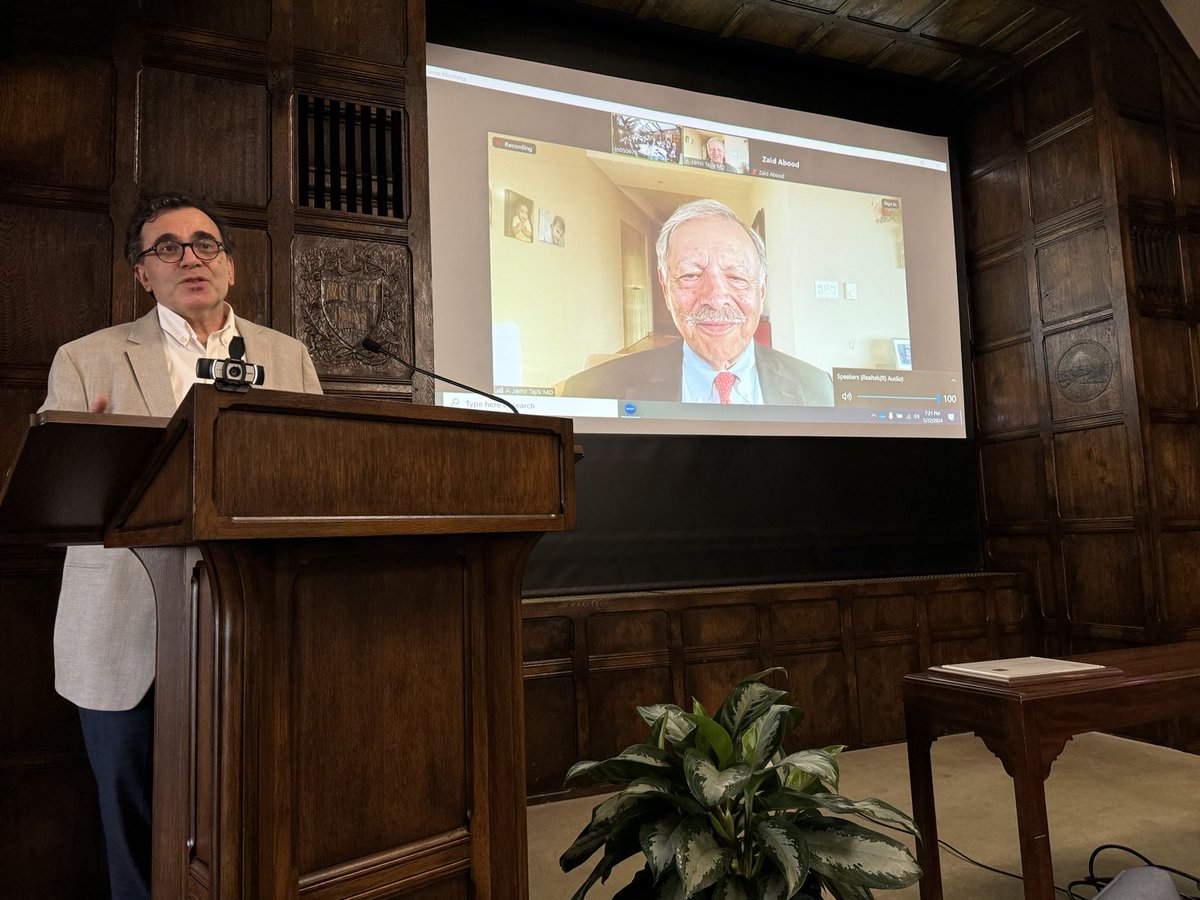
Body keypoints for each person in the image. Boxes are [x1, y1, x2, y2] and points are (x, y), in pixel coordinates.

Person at [39, 192, 323, 900]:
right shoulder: (85, 358)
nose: (189, 258)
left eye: (205, 244)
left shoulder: (287, 357)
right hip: (123, 632)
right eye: (167, 247)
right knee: (132, 818)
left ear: (229, 264)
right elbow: (55, 495)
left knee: (252, 812)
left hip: (251, 625)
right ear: (143, 273)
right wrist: (77, 453)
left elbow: (320, 474)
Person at [562, 198, 833, 406]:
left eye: (736, 276)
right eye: (691, 275)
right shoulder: (590, 393)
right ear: (665, 286)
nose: (715, 299)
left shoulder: (820, 389)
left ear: (761, 288)